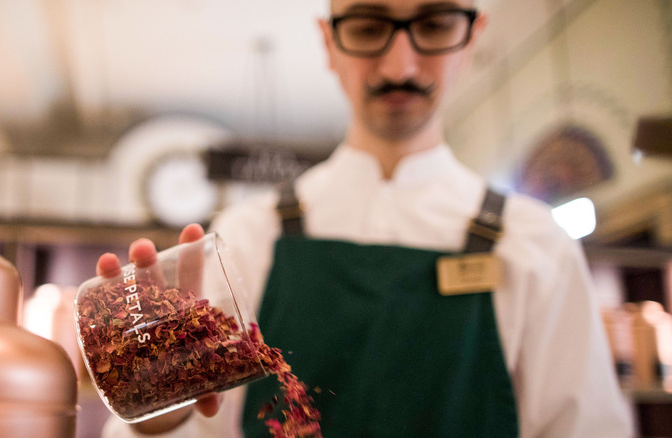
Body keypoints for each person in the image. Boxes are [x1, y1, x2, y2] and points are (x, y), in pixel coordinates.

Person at [99, 0, 633, 436]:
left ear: (471, 38)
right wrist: (160, 418)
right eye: (370, 25)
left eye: (433, 23)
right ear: (329, 42)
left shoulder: (536, 243)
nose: (400, 65)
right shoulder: (245, 235)